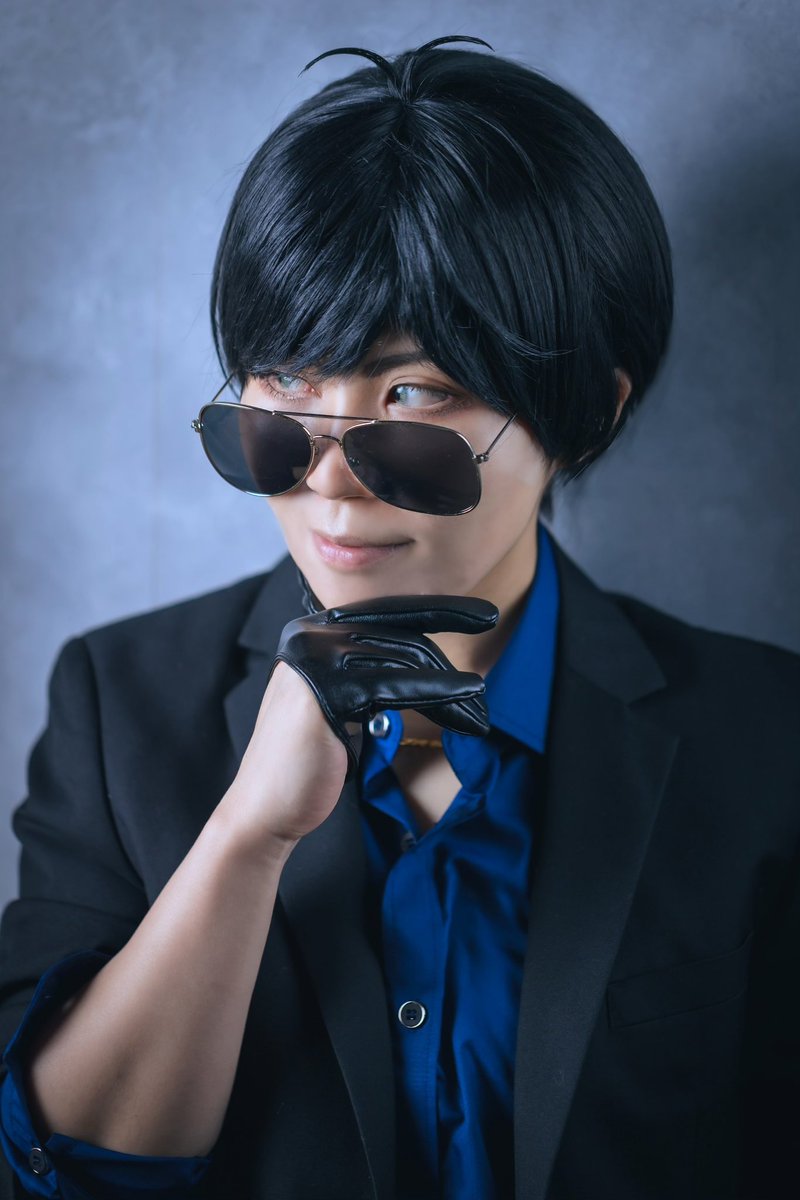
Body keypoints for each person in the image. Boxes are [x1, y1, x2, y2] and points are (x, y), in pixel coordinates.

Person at [0, 33, 797, 1200]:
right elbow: (57, 1168)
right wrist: (247, 840)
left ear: (586, 411)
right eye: (284, 388)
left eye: (411, 395)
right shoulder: (117, 708)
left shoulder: (765, 737)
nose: (327, 481)